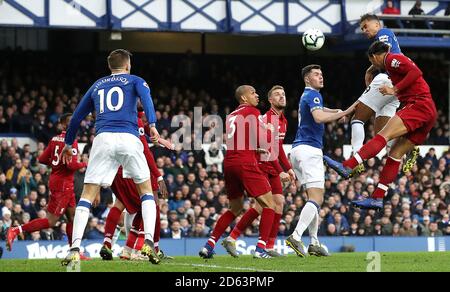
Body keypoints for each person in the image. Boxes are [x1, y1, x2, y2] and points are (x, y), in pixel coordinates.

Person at [61, 49, 161, 265]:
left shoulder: (98, 85)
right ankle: (149, 243)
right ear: (128, 65)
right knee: (146, 192)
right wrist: (152, 124)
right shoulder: (136, 80)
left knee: (87, 195)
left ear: (110, 67)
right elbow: (147, 100)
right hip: (129, 138)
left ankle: (74, 248)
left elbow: (77, 116)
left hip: (103, 138)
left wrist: (68, 144)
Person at [324, 41, 437, 211]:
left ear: (374, 56)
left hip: (418, 104)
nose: (373, 65)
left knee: (382, 136)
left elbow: (415, 72)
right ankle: (377, 197)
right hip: (428, 111)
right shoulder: (392, 64)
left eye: (372, 62)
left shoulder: (390, 59)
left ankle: (348, 165)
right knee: (395, 154)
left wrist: (395, 90)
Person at [285, 65, 355, 257]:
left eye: (322, 74)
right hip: (310, 149)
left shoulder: (306, 95)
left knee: (313, 198)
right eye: (316, 74)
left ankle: (314, 242)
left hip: (298, 150)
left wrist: (335, 109)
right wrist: (344, 112)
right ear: (307, 79)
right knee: (317, 198)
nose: (321, 77)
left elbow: (319, 109)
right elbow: (318, 117)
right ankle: (296, 236)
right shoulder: (313, 94)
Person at [199, 85, 276, 259]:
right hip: (246, 163)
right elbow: (262, 138)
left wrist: (255, 148)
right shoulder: (252, 111)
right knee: (270, 204)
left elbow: (242, 138)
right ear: (244, 98)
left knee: (235, 207)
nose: (257, 95)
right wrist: (269, 133)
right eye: (253, 93)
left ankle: (209, 245)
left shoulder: (231, 116)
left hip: (230, 163)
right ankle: (260, 250)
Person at [221, 85, 295, 258]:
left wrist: (288, 168)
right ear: (270, 100)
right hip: (262, 165)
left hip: (273, 165)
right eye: (277, 94)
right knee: (264, 206)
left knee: (278, 203)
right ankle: (241, 240)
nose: (281, 97)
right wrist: (280, 170)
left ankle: (267, 245)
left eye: (283, 94)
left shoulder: (283, 120)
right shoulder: (266, 119)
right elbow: (267, 147)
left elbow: (278, 148)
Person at [6, 114, 88, 261]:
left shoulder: (54, 139)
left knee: (72, 218)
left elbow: (42, 159)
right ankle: (15, 230)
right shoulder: (72, 142)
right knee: (51, 221)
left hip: (59, 182)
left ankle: (74, 252)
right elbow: (71, 165)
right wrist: (85, 164)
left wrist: (56, 165)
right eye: (70, 123)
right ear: (63, 125)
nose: (73, 125)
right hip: (63, 185)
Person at [99, 112, 169, 261]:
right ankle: (139, 250)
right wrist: (158, 176)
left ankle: (111, 244)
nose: (145, 122)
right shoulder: (135, 120)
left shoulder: (117, 117)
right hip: (128, 168)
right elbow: (145, 150)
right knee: (147, 206)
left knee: (120, 203)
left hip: (113, 169)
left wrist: (158, 138)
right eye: (144, 118)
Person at [353, 14, 411, 176]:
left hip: (388, 79)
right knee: (382, 133)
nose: (364, 30)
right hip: (397, 85)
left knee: (357, 118)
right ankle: (407, 150)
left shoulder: (383, 33)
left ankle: (355, 158)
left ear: (377, 24)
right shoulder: (385, 35)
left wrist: (370, 69)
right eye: (362, 28)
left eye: (366, 26)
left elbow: (384, 51)